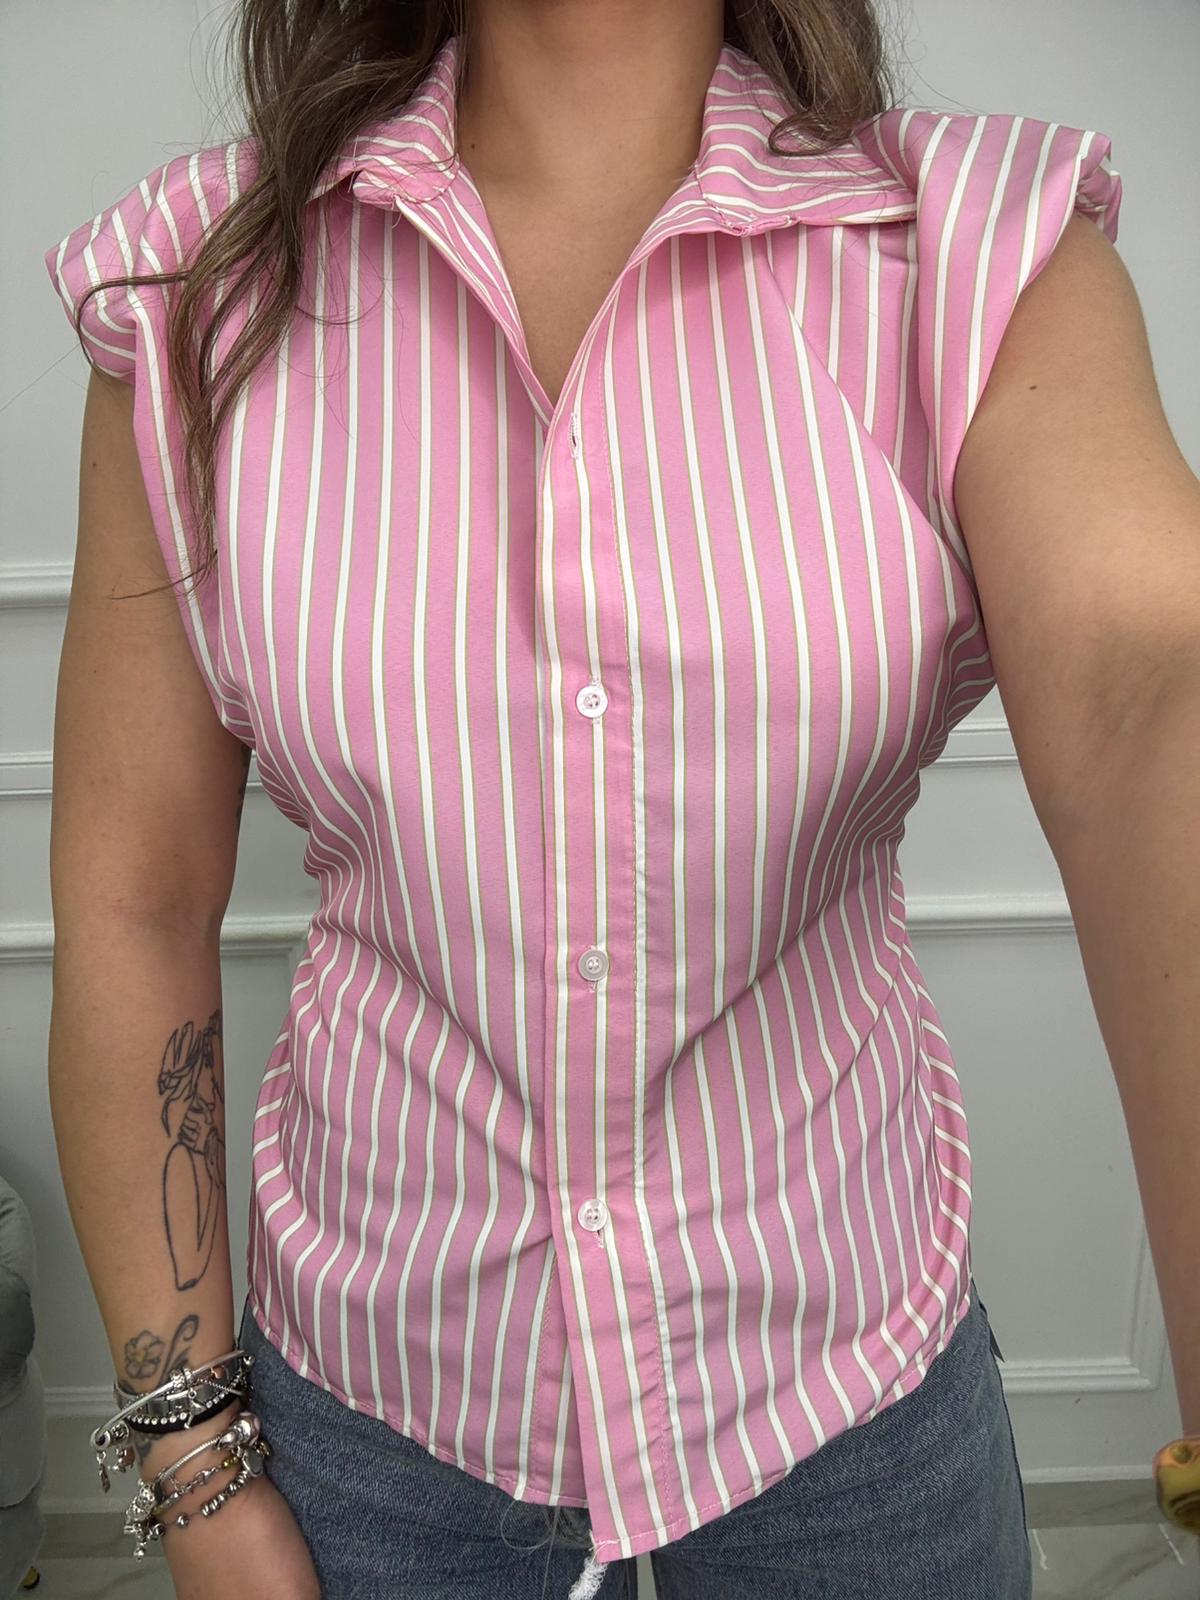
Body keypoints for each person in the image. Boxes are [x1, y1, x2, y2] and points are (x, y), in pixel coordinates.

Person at [43, 1, 1200, 1597]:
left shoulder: (974, 253)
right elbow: (134, 903)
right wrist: (195, 1468)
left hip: (845, 1402)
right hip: (378, 1424)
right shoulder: (202, 293)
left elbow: (1151, 693)